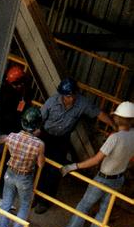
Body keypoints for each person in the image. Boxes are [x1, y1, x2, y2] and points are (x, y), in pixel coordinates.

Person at [57, 101, 134, 227]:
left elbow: (96, 159)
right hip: (118, 179)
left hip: (103, 178)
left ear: (118, 118)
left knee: (83, 206)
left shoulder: (115, 138)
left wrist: (73, 166)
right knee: (103, 212)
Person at [33, 78, 114, 210]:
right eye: (66, 96)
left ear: (76, 93)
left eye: (71, 95)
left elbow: (99, 113)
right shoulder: (52, 101)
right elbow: (39, 119)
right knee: (40, 167)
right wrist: (34, 135)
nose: (68, 99)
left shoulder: (82, 103)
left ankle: (45, 202)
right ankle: (35, 197)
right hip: (46, 137)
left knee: (54, 171)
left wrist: (114, 125)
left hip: (62, 140)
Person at [0, 107, 45, 227]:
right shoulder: (39, 145)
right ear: (37, 126)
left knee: (6, 202)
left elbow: (2, 141)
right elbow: (40, 164)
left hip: (10, 173)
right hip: (25, 177)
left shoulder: (12, 137)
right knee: (24, 205)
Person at [0, 62, 33, 136]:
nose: (18, 86)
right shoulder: (5, 93)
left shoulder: (25, 89)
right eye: (15, 85)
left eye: (19, 83)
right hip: (6, 125)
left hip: (17, 122)